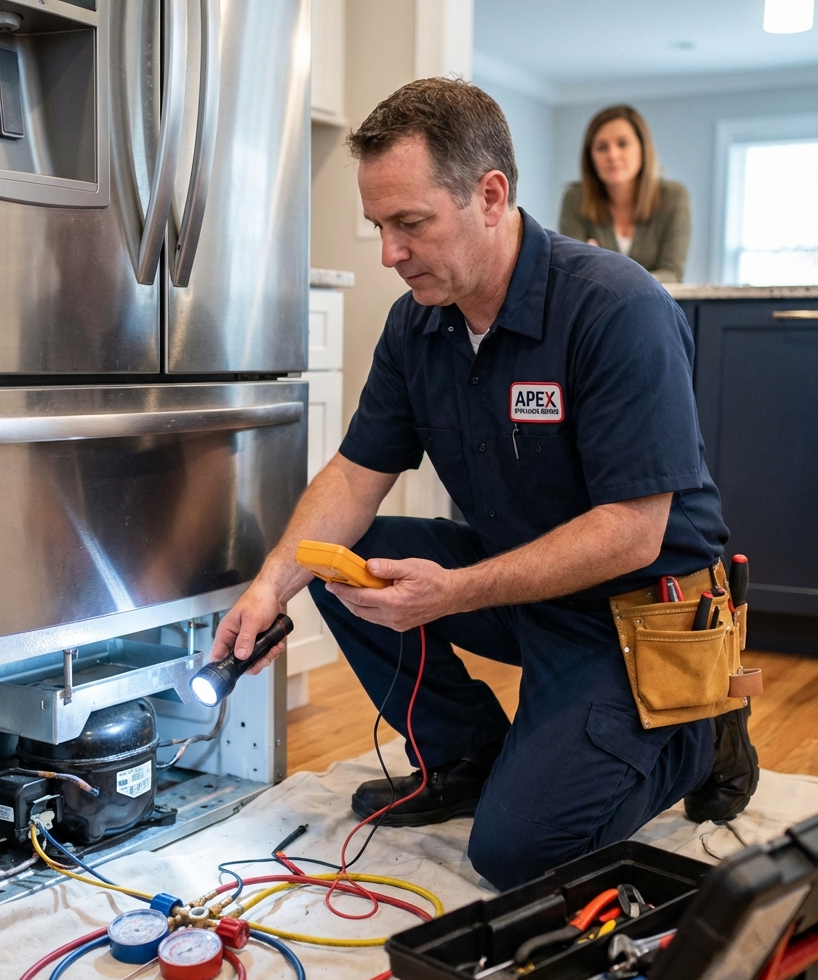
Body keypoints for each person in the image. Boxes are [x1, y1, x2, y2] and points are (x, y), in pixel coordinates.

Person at [209, 79, 757, 891]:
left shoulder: (616, 310)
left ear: (490, 196)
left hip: (642, 617)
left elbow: (633, 532)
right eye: (378, 228)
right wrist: (268, 588)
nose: (389, 253)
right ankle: (466, 753)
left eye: (410, 223)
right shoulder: (417, 323)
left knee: (514, 854)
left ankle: (702, 732)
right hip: (522, 589)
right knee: (333, 558)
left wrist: (454, 592)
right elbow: (357, 476)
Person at [559, 105, 690, 283]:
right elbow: (573, 273)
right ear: (590, 157)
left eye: (622, 144)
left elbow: (672, 273)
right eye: (602, 147)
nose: (612, 155)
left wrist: (608, 275)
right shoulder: (575, 199)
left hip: (654, 306)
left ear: (643, 149)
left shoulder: (674, 197)